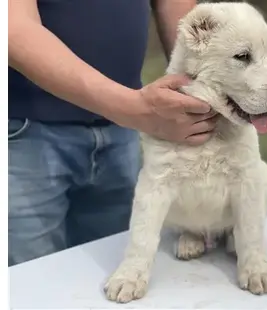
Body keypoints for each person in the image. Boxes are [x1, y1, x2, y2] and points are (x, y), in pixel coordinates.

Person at [8, 0, 218, 267]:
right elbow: (13, 26)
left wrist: (207, 86)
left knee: (114, 275)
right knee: (36, 285)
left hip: (122, 134)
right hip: (24, 138)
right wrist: (132, 109)